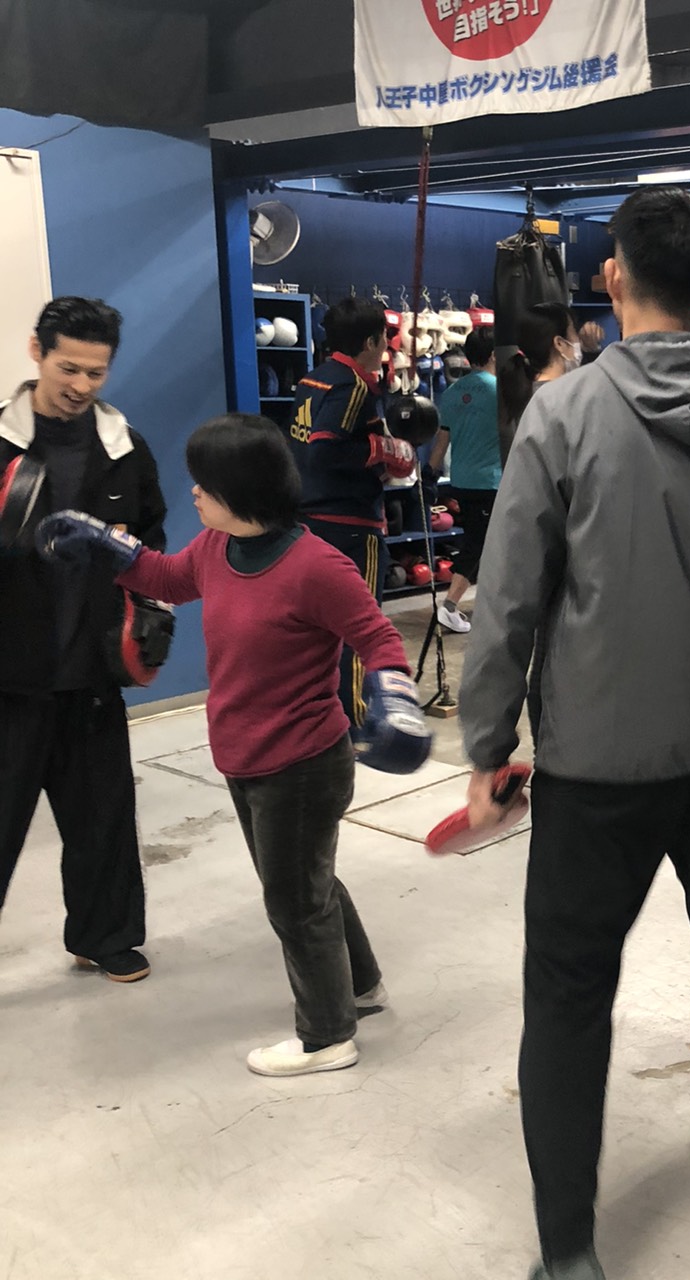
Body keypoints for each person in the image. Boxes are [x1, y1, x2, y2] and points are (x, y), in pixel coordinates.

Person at [458, 188, 690, 1280]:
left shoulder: (560, 414)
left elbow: (507, 597)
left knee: (568, 995)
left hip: (593, 768)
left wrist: (487, 744)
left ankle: (568, 1248)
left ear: (612, 277)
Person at [39, 414, 430, 1076]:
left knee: (295, 900)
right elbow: (167, 579)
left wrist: (394, 695)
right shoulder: (217, 548)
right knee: (307, 882)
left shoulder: (316, 567)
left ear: (241, 489)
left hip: (302, 763)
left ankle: (328, 1036)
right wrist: (110, 549)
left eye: (204, 482)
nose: (193, 492)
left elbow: (378, 636)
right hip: (244, 753)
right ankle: (361, 988)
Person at [0, 297, 166, 984]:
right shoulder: (2, 442)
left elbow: (152, 539)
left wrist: (145, 606)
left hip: (92, 672)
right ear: (37, 351)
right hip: (9, 676)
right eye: (68, 368)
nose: (81, 385)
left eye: (96, 373)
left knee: (102, 817)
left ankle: (105, 936)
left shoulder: (124, 448)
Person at [288, 296, 417, 726]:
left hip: (310, 520)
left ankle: (323, 715)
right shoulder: (352, 386)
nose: (387, 346)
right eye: (383, 338)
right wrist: (384, 450)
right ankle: (355, 722)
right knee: (360, 626)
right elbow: (325, 450)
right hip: (351, 525)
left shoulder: (314, 379)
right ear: (370, 342)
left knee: (320, 627)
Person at [426, 325, 500, 635]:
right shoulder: (501, 391)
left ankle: (495, 603)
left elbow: (441, 441)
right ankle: (449, 606)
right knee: (477, 545)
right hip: (491, 483)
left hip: (462, 481)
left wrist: (428, 476)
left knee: (487, 543)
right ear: (494, 355)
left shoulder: (452, 392)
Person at [496, 302, 579, 467]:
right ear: (560, 343)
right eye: (574, 333)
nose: (578, 340)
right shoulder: (561, 395)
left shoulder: (527, 388)